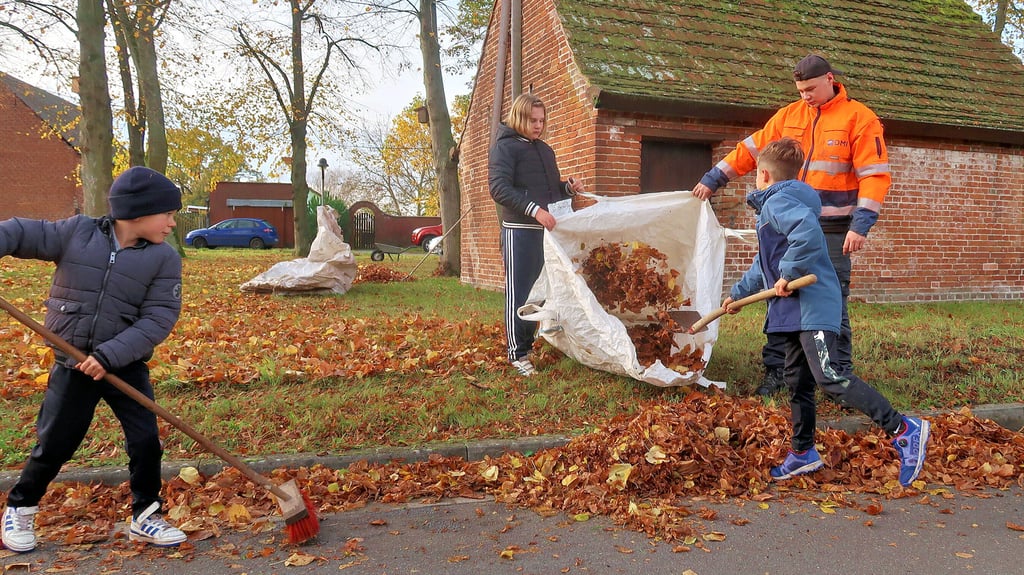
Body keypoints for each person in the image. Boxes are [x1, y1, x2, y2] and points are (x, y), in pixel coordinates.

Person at [1, 166, 187, 552]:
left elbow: (158, 318)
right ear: (138, 212)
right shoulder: (77, 233)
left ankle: (145, 515)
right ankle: (20, 507)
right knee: (55, 443)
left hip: (124, 363)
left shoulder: (164, 259)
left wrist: (109, 356)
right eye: (167, 214)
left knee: (145, 440)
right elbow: (19, 232)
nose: (172, 223)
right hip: (72, 365)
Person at [722, 138, 928, 486]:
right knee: (797, 382)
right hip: (790, 311)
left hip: (811, 307)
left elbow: (806, 236)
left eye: (756, 175)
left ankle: (903, 427)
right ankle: (803, 453)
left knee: (830, 376)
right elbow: (763, 263)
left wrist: (787, 273)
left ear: (764, 174)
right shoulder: (777, 206)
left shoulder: (778, 201)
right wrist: (737, 295)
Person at [694, 54, 891, 396]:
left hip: (832, 229)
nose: (805, 97)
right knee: (779, 296)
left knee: (830, 300)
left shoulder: (860, 119)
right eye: (800, 91)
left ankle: (837, 374)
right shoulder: (789, 116)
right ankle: (777, 373)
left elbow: (874, 175)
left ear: (831, 80)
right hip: (786, 225)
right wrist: (714, 178)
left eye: (811, 89)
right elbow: (752, 151)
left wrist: (861, 224)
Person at [489, 93, 586, 377]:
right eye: (533, 120)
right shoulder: (504, 147)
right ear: (519, 117)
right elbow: (499, 188)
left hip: (546, 233)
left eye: (542, 120)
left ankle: (529, 343)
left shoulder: (544, 150)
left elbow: (548, 190)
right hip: (519, 231)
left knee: (542, 291)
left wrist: (567, 188)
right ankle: (517, 354)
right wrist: (534, 210)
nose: (538, 125)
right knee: (520, 293)